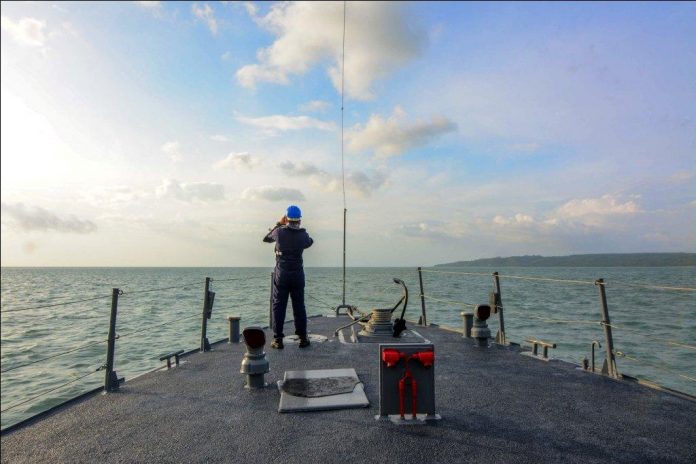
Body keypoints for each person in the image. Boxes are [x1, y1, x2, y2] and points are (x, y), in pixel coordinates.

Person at [263, 205, 313, 349]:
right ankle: (303, 338)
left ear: (286, 218)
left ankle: (278, 339)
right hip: (297, 275)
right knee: (299, 306)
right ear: (299, 220)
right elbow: (309, 242)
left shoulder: (279, 232)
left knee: (278, 306)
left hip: (282, 275)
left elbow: (266, 239)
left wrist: (279, 223)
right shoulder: (303, 235)